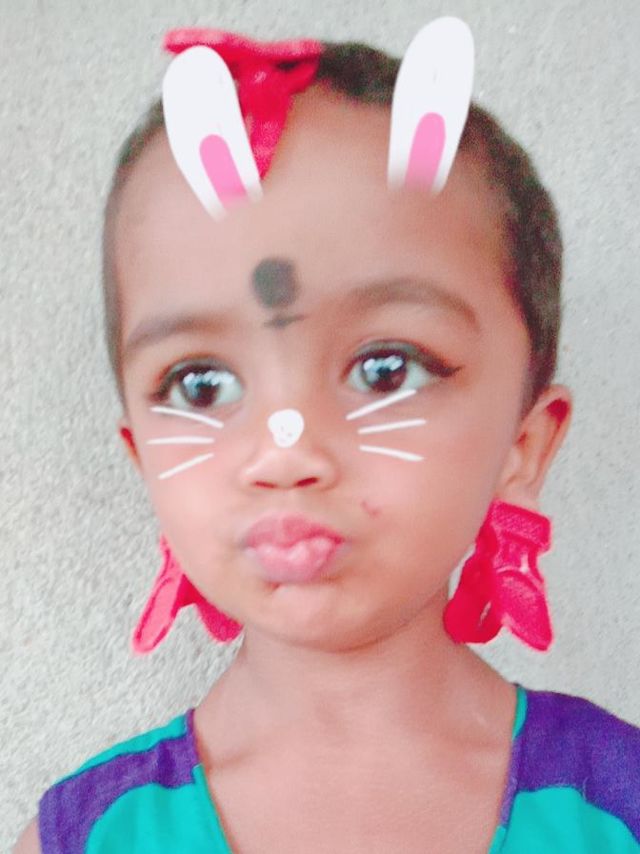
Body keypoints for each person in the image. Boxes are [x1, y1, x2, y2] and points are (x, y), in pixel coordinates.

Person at [15, 22, 640, 854]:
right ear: (143, 459)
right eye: (200, 385)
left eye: (386, 370)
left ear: (523, 446)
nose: (286, 453)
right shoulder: (84, 839)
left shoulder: (621, 806)